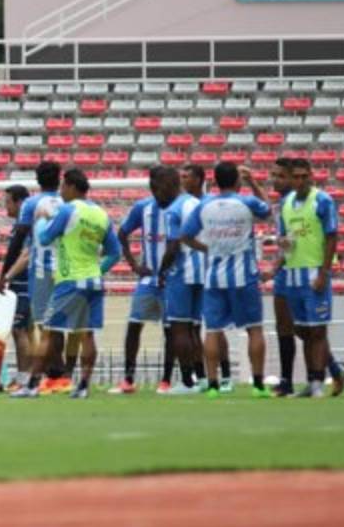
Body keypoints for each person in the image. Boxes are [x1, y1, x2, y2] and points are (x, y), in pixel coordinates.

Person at [179, 162, 272, 399]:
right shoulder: (247, 202)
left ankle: (212, 386)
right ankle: (258, 385)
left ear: (215, 181)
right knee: (254, 329)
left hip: (214, 277)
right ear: (238, 181)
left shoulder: (204, 205)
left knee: (212, 330)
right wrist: (254, 182)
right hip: (244, 277)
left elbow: (185, 236)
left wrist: (207, 248)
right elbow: (268, 210)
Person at [29, 168, 121, 399]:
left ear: (71, 186)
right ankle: (83, 387)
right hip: (93, 282)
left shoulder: (68, 210)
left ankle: (30, 385)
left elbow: (44, 238)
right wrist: (97, 271)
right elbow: (115, 253)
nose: (61, 191)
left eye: (63, 186)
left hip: (69, 281)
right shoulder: (101, 214)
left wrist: (41, 220)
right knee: (87, 335)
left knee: (48, 332)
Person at [0, 161, 69, 393]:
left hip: (39, 271)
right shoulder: (67, 204)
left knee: (37, 327)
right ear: (59, 178)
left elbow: (20, 241)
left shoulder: (32, 204)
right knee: (56, 325)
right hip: (65, 270)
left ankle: (34, 378)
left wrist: (4, 274)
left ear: (37, 179)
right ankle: (58, 376)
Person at [275, 157, 342, 398]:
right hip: (293, 274)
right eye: (297, 177)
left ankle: (317, 382)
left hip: (314, 272)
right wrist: (277, 261)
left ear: (311, 176)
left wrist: (324, 272)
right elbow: (287, 239)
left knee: (317, 331)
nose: (301, 180)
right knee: (302, 330)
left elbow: (332, 237)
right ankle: (322, 376)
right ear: (291, 179)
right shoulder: (285, 203)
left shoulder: (322, 200)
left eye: (305, 176)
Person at [116, 166, 179, 394]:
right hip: (148, 280)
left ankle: (166, 380)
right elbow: (122, 233)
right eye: (160, 186)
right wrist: (134, 265)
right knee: (134, 325)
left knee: (171, 330)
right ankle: (128, 378)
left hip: (173, 280)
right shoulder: (142, 208)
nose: (166, 190)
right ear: (153, 187)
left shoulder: (179, 208)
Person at [158, 163, 211, 394]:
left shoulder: (175, 208)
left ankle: (187, 381)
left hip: (182, 272)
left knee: (179, 328)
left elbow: (173, 246)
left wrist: (162, 271)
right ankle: (203, 378)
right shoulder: (199, 203)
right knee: (194, 329)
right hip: (202, 272)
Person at [0, 184, 33, 394]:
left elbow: (26, 255)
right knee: (23, 330)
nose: (5, 206)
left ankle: (25, 379)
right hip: (21, 283)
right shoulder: (19, 226)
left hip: (25, 283)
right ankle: (27, 377)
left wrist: (6, 277)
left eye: (8, 202)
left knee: (20, 330)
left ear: (19, 203)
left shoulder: (26, 227)